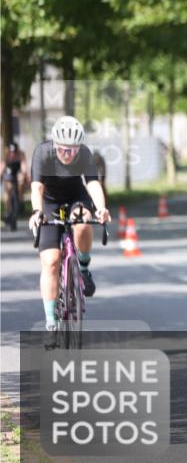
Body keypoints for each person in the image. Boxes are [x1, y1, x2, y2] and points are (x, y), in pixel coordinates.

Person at [27, 117, 111, 344]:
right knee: (51, 261)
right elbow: (37, 187)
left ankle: (83, 267)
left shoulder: (84, 154)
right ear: (55, 145)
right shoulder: (42, 153)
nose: (68, 154)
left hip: (76, 198)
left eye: (72, 150)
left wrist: (101, 208)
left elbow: (93, 184)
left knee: (83, 222)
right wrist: (37, 211)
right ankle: (50, 322)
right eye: (64, 149)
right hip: (50, 203)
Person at [2, 141, 27, 230]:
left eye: (14, 152)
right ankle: (8, 211)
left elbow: (24, 167)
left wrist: (23, 174)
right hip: (8, 177)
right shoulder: (6, 156)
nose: (13, 153)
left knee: (21, 182)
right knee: (8, 192)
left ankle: (19, 199)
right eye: (11, 151)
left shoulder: (21, 155)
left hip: (17, 176)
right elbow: (2, 167)